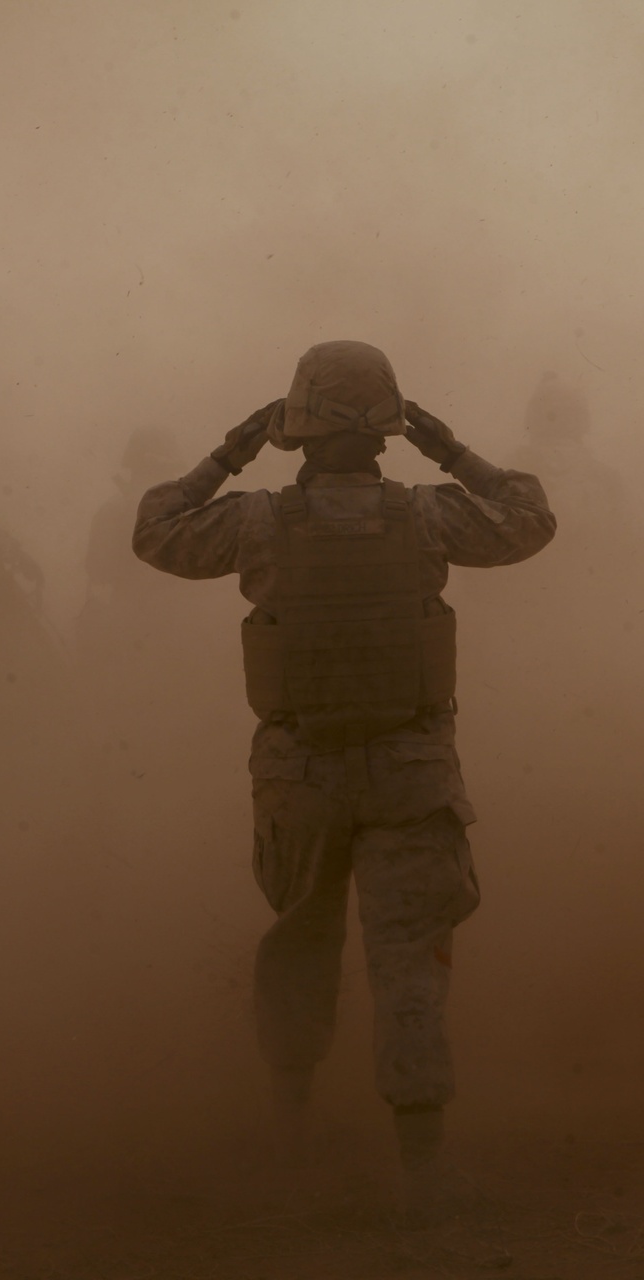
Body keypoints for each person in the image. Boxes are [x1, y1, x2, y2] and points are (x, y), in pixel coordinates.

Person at [131, 340, 556, 1221]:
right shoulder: (432, 516)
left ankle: (291, 1135)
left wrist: (231, 449)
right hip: (410, 768)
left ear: (294, 430)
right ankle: (424, 1169)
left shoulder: (253, 522)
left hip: (301, 772)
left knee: (299, 945)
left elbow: (153, 531)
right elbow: (528, 517)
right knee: (409, 966)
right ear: (393, 432)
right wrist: (452, 450)